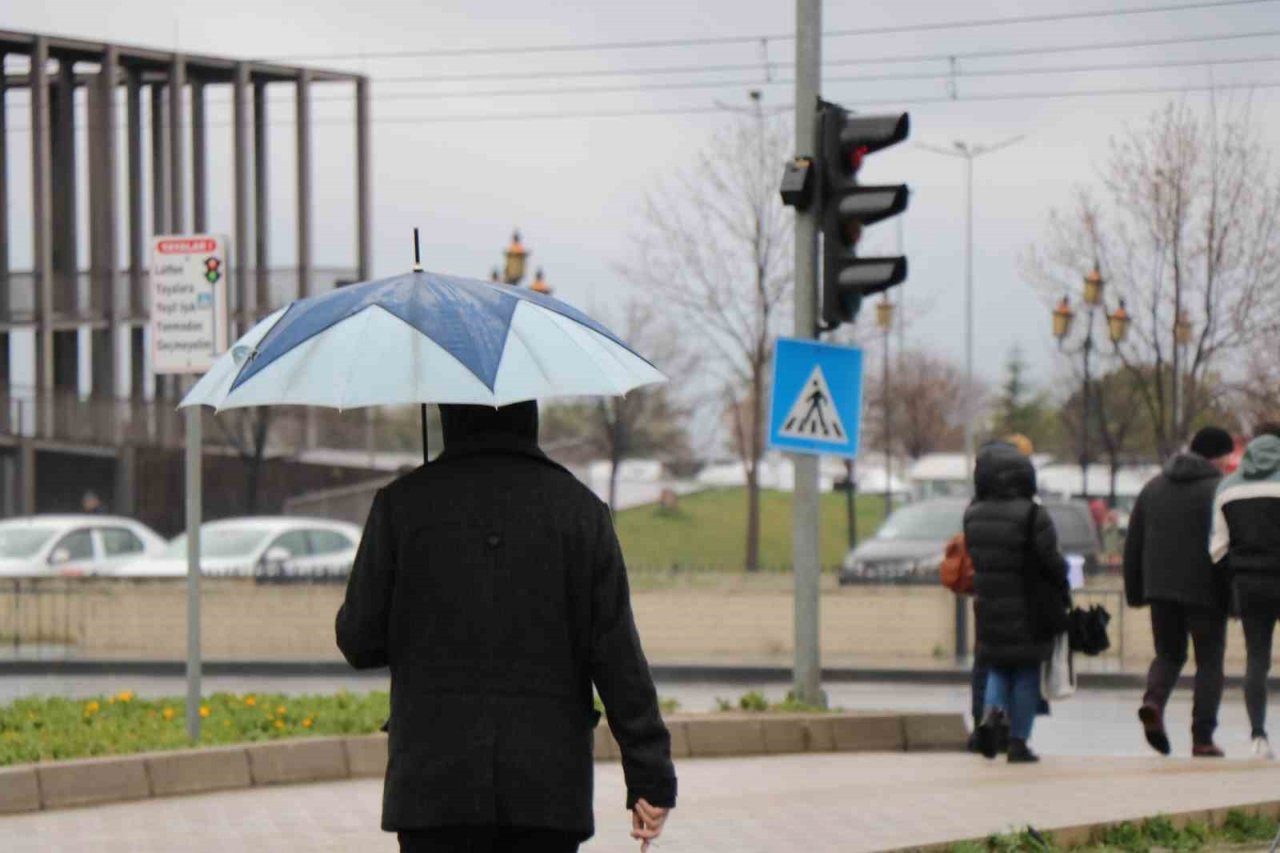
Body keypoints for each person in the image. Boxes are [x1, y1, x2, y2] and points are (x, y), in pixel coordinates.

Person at [337, 402, 677, 853]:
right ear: (528, 414)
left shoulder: (402, 506)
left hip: (434, 788)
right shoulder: (581, 513)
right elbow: (616, 657)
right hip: (548, 791)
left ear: (448, 415)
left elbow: (360, 642)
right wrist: (649, 774)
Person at [1125, 426, 1235, 758]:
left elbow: (1134, 544)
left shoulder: (1154, 487)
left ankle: (1153, 702)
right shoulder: (1219, 491)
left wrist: (1136, 591)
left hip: (1160, 589)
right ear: (1218, 455)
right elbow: (1228, 546)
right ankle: (1202, 738)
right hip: (1206, 590)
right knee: (1209, 662)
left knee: (1169, 654)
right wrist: (1233, 593)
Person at [967, 442, 1069, 764]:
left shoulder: (973, 514)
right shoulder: (1032, 514)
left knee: (997, 666)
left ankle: (990, 717)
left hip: (989, 605)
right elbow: (1051, 562)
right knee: (1025, 672)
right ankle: (1018, 742)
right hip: (1029, 607)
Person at [1211, 425, 1280, 760]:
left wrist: (1236, 577)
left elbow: (1217, 549)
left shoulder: (1228, 488)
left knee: (1257, 659)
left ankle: (1258, 736)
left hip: (1250, 585)